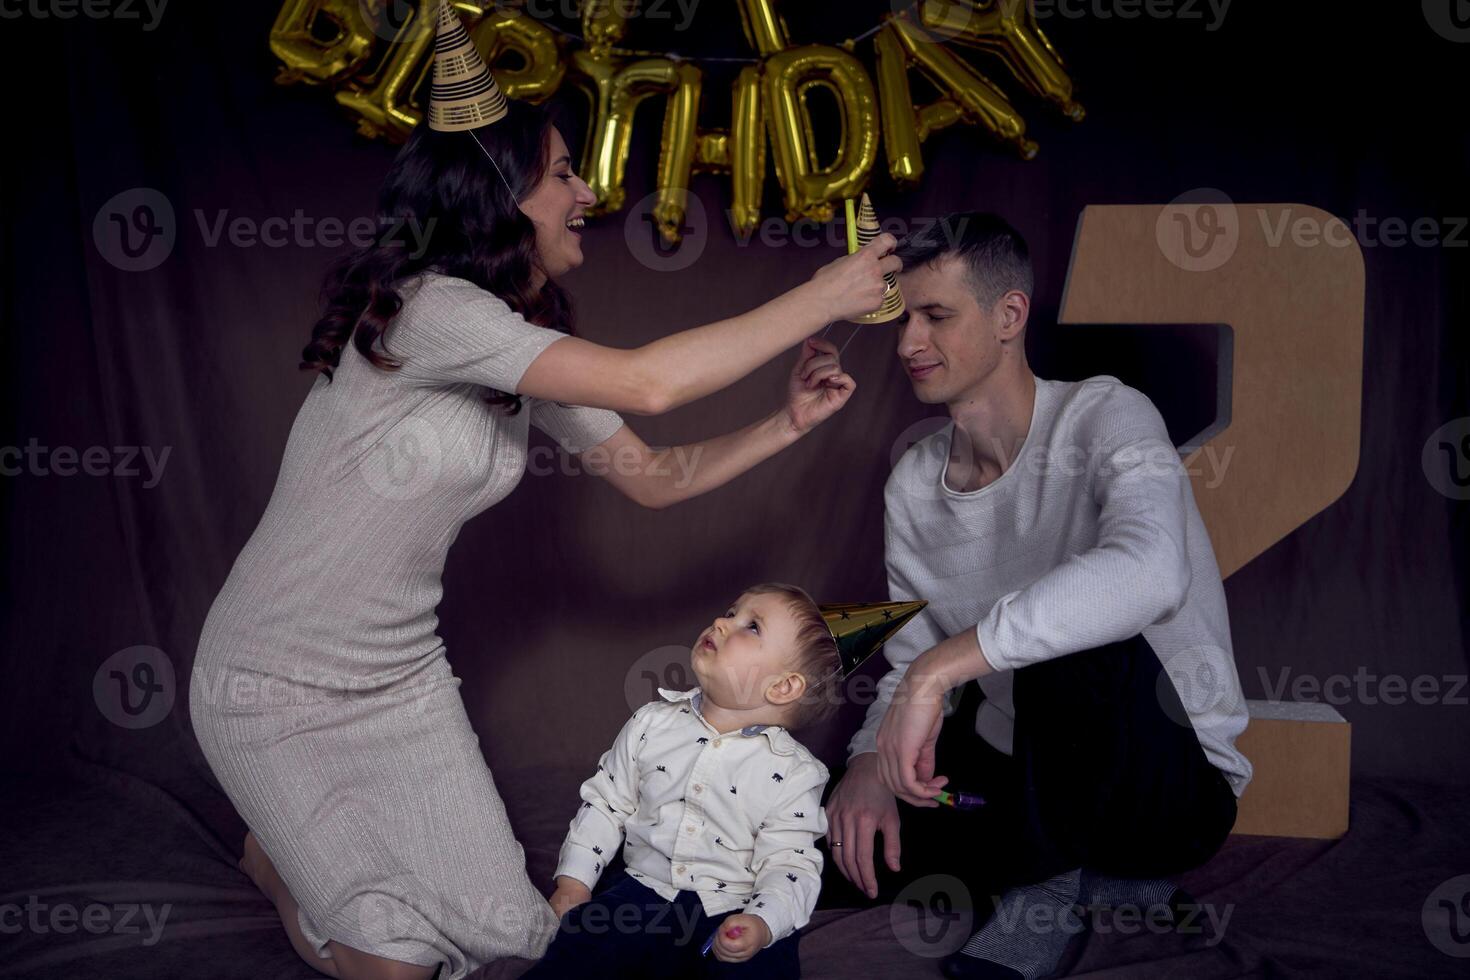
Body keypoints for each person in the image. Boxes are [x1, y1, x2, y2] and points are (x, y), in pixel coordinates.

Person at [189, 7, 900, 980]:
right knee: (398, 964)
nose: (589, 192)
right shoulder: (435, 307)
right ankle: (278, 864)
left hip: (400, 683)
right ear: (500, 195)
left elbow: (653, 477)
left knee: (516, 943)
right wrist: (827, 292)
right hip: (271, 684)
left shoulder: (515, 349)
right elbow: (651, 379)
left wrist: (787, 423)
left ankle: (322, 865)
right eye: (563, 173)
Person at [819, 212, 1252, 979]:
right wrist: (865, 765)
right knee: (834, 849)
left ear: (1009, 315)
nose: (907, 343)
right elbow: (912, 662)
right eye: (901, 317)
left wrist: (941, 670)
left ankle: (1044, 893)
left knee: (1075, 640)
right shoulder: (915, 479)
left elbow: (1151, 573)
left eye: (936, 317)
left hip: (1164, 792)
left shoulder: (1107, 415)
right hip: (1012, 779)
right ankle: (1094, 882)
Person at [524, 584, 840, 979]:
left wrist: (762, 924)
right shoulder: (651, 724)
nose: (723, 622)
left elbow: (790, 862)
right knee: (583, 945)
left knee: (757, 964)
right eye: (730, 610)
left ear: (782, 686)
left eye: (752, 626)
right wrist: (574, 882)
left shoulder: (795, 772)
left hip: (734, 906)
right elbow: (607, 803)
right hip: (644, 890)